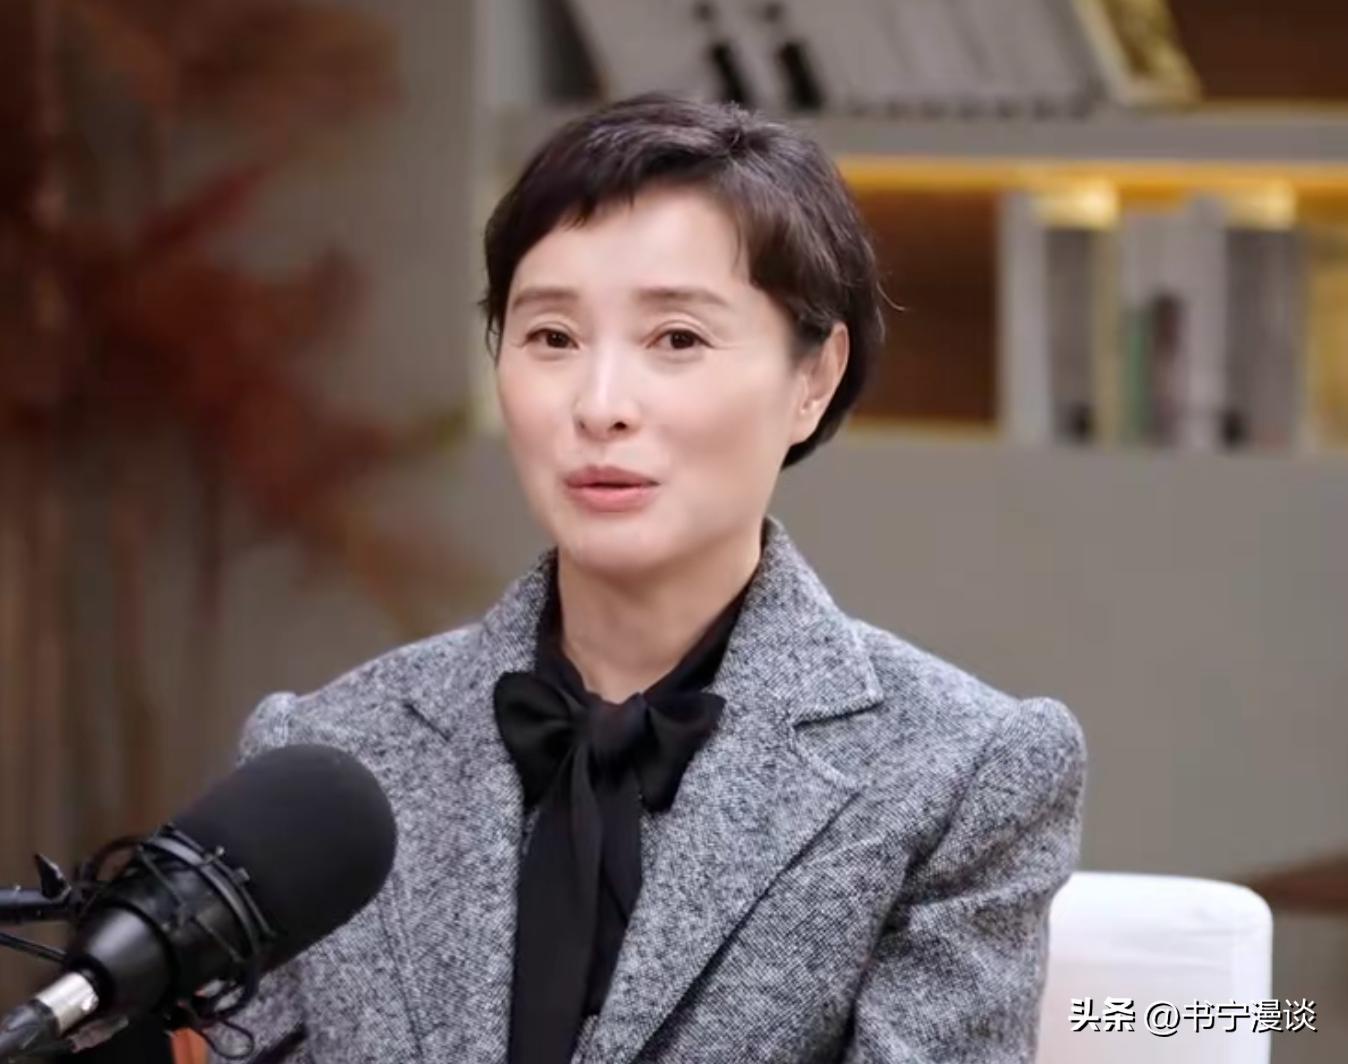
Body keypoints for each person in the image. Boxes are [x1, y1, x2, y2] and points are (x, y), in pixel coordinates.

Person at [216, 93, 1087, 1064]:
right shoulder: (324, 761)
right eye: (552, 338)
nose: (599, 406)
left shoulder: (961, 772)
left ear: (813, 377)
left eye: (677, 339)